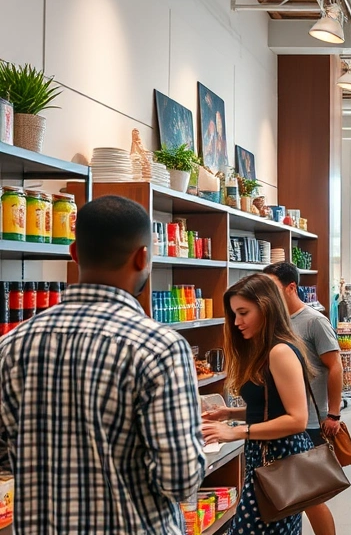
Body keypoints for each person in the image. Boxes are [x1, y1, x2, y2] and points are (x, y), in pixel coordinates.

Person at [0, 196, 204, 533]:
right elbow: (180, 479)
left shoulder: (12, 345)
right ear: (142, 257)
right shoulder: (159, 348)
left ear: (74, 254)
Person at [202, 274, 319, 534]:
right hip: (267, 456)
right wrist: (230, 413)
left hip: (279, 457)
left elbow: (296, 418)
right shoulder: (265, 351)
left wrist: (236, 431)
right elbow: (272, 406)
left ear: (266, 307)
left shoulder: (280, 352)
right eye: (234, 314)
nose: (237, 322)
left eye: (244, 312)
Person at [263, 263, 340, 534]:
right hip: (281, 421)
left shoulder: (314, 321)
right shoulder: (274, 322)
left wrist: (333, 414)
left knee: (310, 497)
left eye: (271, 288)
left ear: (291, 287)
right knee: (291, 495)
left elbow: (335, 367)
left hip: (308, 421)